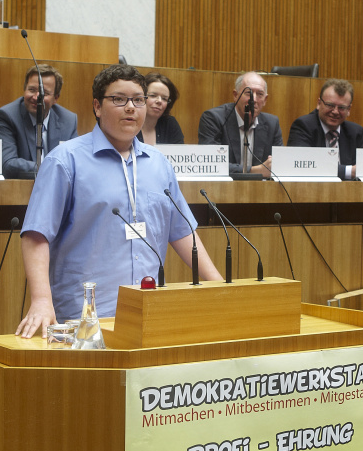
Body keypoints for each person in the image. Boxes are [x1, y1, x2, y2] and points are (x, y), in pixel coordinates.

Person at [15, 64, 223, 339]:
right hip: (85, 315)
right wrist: (41, 300)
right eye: (119, 99)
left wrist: (218, 285)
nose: (130, 107)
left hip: (147, 309)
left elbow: (182, 230)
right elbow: (36, 233)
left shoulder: (158, 163)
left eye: (138, 100)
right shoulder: (65, 160)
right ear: (97, 107)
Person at [0, 64, 78, 179]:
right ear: (24, 90)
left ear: (55, 98)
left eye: (44, 93)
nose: (36, 97)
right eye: (32, 90)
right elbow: (7, 164)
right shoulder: (6, 117)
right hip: (21, 187)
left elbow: (75, 162)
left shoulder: (68, 120)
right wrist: (52, 168)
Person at [198, 71, 282, 177]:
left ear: (265, 100)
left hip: (261, 186)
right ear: (235, 95)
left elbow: (280, 164)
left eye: (260, 94)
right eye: (248, 93)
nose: (254, 99)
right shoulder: (213, 119)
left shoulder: (272, 124)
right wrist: (256, 171)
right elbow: (210, 164)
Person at [287, 78, 363, 180]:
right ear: (319, 103)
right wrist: (349, 171)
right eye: (330, 105)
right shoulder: (303, 126)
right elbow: (303, 165)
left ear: (349, 110)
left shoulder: (355, 132)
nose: (335, 112)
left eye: (341, 107)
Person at [137, 72, 184, 145]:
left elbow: (179, 151)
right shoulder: (129, 121)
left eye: (164, 98)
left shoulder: (170, 124)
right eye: (153, 95)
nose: (159, 101)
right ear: (140, 97)